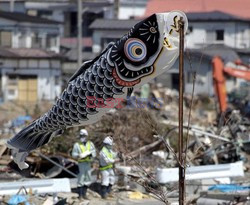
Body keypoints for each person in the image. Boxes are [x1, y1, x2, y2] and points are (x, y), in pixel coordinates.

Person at [72, 129, 96, 200]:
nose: (83, 137)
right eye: (82, 136)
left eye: (84, 136)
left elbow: (94, 152)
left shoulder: (90, 144)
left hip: (88, 163)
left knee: (88, 178)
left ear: (87, 136)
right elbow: (73, 154)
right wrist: (79, 155)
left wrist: (90, 154)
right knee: (81, 178)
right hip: (81, 163)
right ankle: (80, 195)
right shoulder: (77, 145)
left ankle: (85, 194)